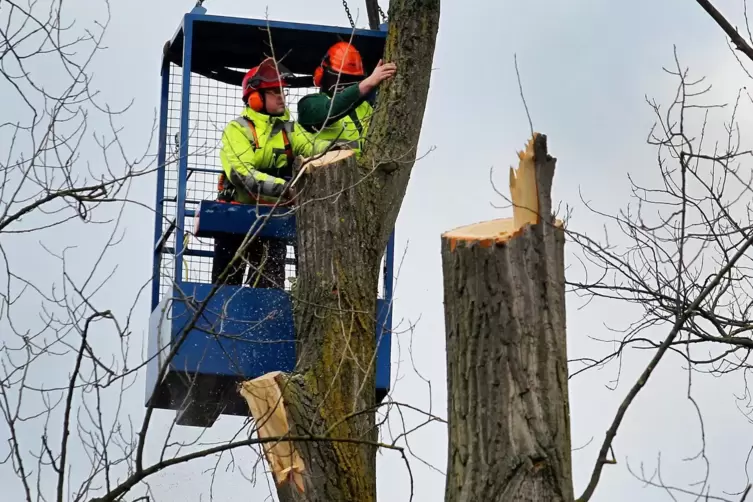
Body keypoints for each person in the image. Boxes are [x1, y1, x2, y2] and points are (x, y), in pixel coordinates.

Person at [212, 57, 314, 289]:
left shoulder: (289, 129)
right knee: (225, 291)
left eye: (282, 91)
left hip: (272, 221)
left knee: (270, 290)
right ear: (255, 97)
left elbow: (312, 148)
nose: (282, 97)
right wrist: (285, 189)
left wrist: (342, 149)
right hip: (235, 219)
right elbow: (242, 174)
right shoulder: (237, 130)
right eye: (274, 91)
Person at [297, 41, 396, 157]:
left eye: (350, 78)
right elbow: (330, 110)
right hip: (328, 171)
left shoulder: (367, 107)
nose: (345, 84)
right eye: (340, 78)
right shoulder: (309, 105)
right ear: (324, 74)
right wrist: (367, 84)